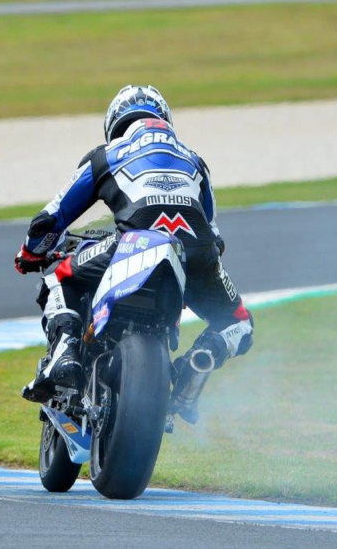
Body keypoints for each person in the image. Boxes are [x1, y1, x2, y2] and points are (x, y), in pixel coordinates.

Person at [13, 84, 254, 424]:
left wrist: (31, 253)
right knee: (240, 322)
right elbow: (215, 236)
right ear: (164, 119)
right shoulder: (194, 160)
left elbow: (50, 220)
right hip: (195, 253)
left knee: (58, 275)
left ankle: (66, 353)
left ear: (114, 123)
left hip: (135, 242)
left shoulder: (107, 154)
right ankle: (196, 365)